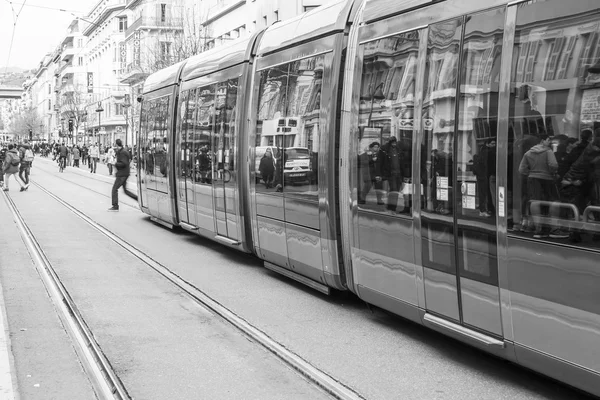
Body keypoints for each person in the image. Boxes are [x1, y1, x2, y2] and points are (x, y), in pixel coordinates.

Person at [518, 134, 566, 239]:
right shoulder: (548, 152)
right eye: (549, 140)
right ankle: (555, 229)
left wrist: (531, 173)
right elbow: (553, 165)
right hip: (547, 179)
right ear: (542, 140)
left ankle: (538, 229)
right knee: (554, 201)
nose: (550, 142)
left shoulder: (528, 153)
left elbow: (521, 169)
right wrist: (552, 173)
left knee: (535, 201)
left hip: (532, 179)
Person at [108, 139, 137, 211]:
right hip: (124, 173)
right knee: (125, 190)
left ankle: (115, 206)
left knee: (114, 189)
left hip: (122, 174)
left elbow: (124, 163)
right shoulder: (121, 151)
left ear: (117, 145)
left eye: (115, 145)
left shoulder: (123, 152)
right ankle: (137, 198)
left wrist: (115, 163)